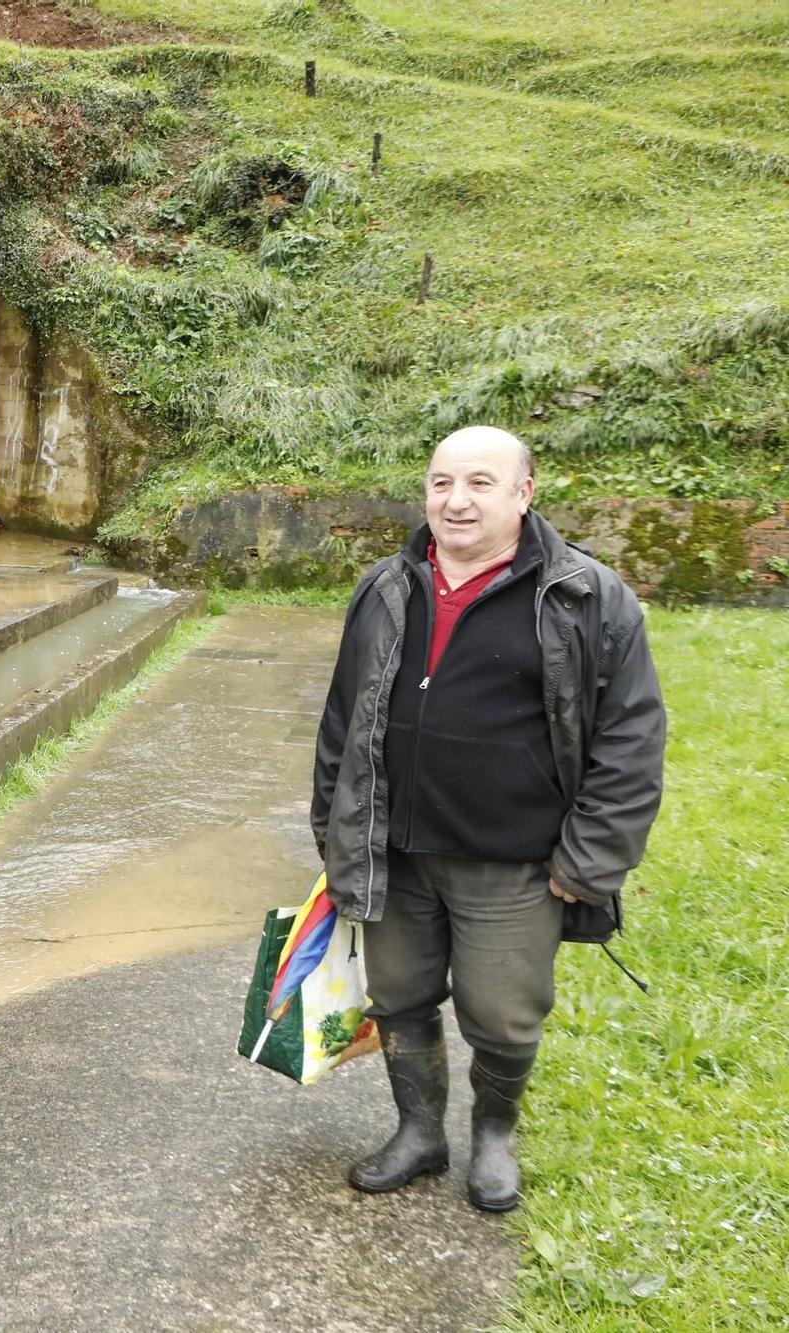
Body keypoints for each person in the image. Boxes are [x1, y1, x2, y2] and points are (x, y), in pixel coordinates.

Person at [310, 425, 665, 1212]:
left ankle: (495, 1134)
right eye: (441, 483)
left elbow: (631, 742)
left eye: (480, 482)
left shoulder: (587, 598)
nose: (456, 500)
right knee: (398, 993)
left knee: (502, 1011)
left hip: (516, 862)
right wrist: (336, 834)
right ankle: (420, 1131)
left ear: (524, 493)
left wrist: (589, 862)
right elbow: (343, 720)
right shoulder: (385, 586)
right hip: (395, 852)